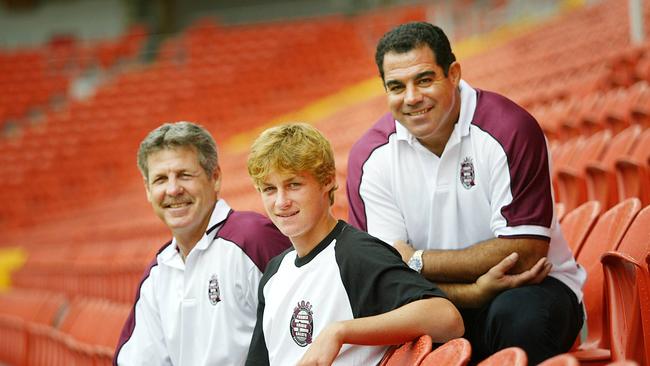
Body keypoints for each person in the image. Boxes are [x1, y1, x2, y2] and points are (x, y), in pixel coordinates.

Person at [346, 22, 586, 364]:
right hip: (432, 302)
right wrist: (471, 294)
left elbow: (525, 252)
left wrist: (417, 259)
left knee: (517, 315)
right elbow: (385, 282)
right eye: (397, 86)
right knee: (394, 332)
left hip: (532, 288)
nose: (412, 98)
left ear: (454, 73)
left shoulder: (510, 128)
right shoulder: (369, 158)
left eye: (425, 79)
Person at [244, 123, 464, 366]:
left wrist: (340, 332)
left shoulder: (355, 253)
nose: (281, 201)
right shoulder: (274, 273)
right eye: (269, 189)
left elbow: (447, 318)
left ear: (327, 181)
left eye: (294, 185)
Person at [113, 121, 291, 365]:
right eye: (160, 180)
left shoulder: (253, 239)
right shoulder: (157, 273)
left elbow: (305, 332)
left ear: (215, 177)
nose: (173, 189)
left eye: (184, 175)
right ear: (147, 189)